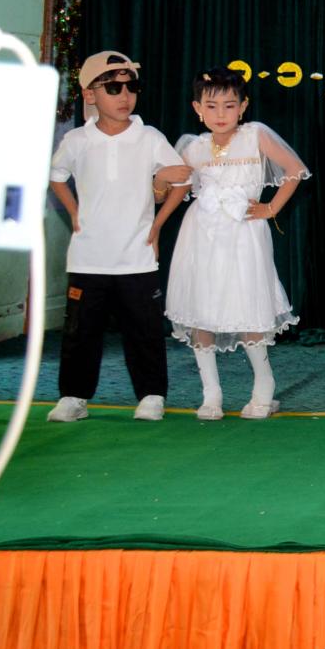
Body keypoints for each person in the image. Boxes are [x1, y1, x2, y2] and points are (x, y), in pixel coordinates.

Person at [45, 51, 191, 423]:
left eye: (131, 87)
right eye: (113, 88)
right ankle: (74, 397)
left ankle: (152, 395)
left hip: (136, 257)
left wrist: (157, 226)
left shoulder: (149, 137)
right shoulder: (77, 140)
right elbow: (56, 176)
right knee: (80, 332)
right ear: (90, 94)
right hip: (88, 257)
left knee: (144, 331)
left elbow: (182, 178)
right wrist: (74, 212)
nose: (124, 96)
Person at [162, 68, 309, 420]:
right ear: (198, 108)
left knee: (247, 301)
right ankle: (211, 393)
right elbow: (169, 192)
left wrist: (270, 208)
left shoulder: (255, 135)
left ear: (243, 107)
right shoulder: (192, 147)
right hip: (200, 234)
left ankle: (263, 386)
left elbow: (295, 169)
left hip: (244, 232)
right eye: (211, 106)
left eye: (229, 106)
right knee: (201, 305)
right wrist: (160, 179)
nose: (220, 114)